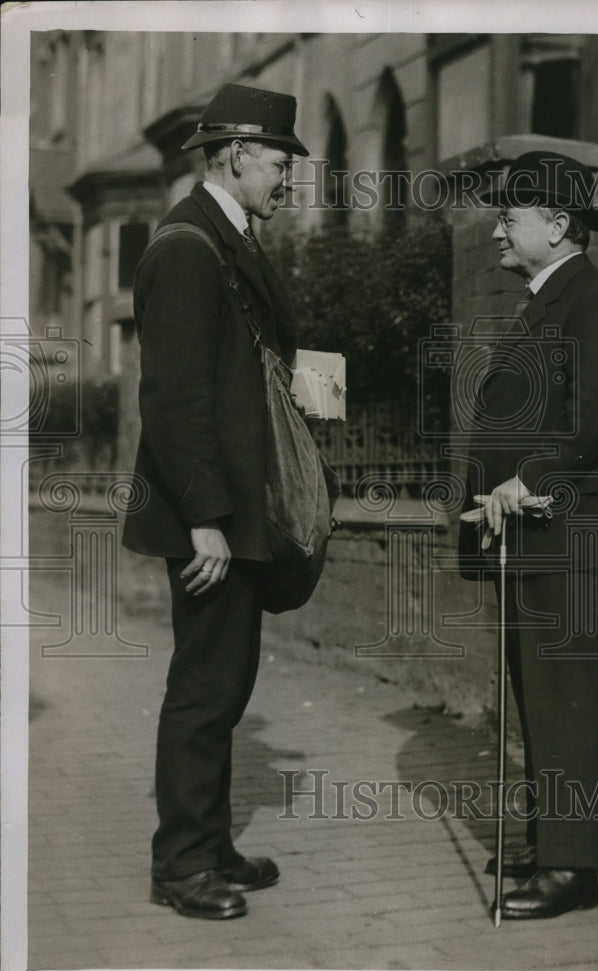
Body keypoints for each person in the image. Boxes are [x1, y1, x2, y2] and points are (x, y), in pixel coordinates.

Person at [122, 83, 309, 920]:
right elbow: (171, 397)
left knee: (225, 681)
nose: (285, 179)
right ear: (234, 154)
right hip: (212, 517)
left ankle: (211, 844)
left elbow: (235, 368)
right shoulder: (185, 248)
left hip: (236, 508)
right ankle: (181, 865)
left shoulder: (223, 238)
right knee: (205, 687)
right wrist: (204, 518)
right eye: (277, 162)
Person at [459, 150, 598, 919]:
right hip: (531, 534)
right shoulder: (546, 301)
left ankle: (572, 869)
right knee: (539, 695)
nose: (495, 232)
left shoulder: (596, 301)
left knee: (564, 695)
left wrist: (526, 477)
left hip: (570, 530)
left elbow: (593, 415)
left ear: (556, 224)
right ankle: (551, 842)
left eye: (508, 218)